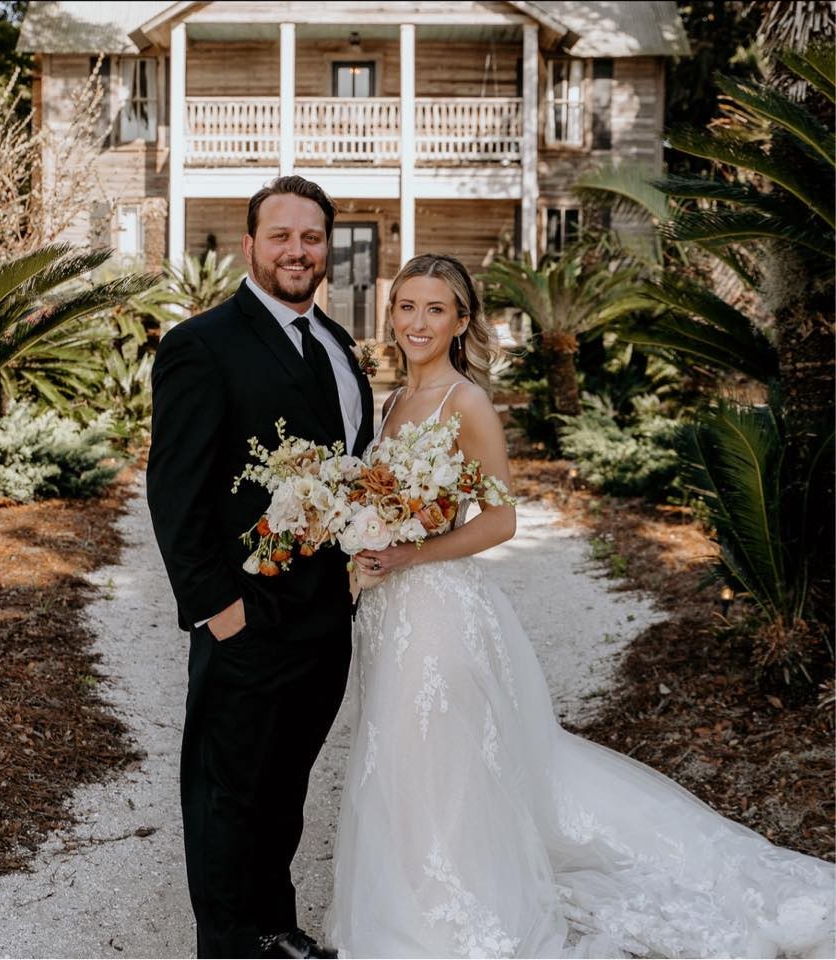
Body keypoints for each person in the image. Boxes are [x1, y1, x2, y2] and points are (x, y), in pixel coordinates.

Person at [325, 253, 835, 959]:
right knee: (401, 758)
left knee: (435, 759)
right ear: (391, 313)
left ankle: (448, 912)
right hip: (390, 611)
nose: (418, 322)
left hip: (438, 612)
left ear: (462, 321)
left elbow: (501, 521)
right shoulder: (391, 402)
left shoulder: (465, 403)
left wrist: (413, 553)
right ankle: (405, 894)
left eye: (435, 309)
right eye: (407, 306)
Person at [147, 175, 374, 959]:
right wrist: (219, 610)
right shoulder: (201, 345)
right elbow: (176, 492)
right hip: (248, 618)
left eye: (311, 237)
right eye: (281, 236)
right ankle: (230, 946)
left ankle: (274, 929)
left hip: (324, 620)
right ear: (251, 245)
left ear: (327, 247)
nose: (297, 251)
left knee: (283, 790)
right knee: (227, 794)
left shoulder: (338, 345)